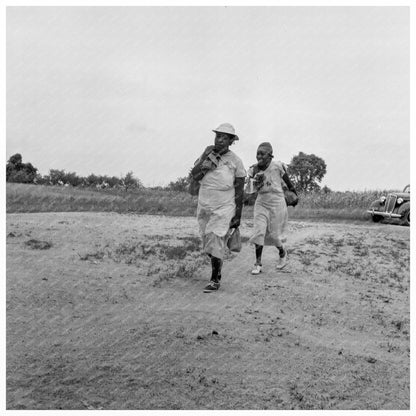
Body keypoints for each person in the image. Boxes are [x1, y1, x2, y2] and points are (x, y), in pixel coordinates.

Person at [191, 123, 246, 293]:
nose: (220, 140)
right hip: (205, 203)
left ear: (231, 141)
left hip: (224, 206)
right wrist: (204, 162)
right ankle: (218, 258)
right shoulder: (207, 153)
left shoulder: (236, 161)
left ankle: (215, 279)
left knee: (215, 237)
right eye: (218, 136)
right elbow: (195, 174)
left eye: (224, 137)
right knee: (208, 240)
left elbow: (239, 190)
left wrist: (237, 216)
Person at [246, 142, 297, 274]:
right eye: (257, 153)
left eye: (262, 153)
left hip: (277, 202)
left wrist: (294, 196)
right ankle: (258, 263)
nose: (259, 156)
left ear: (270, 155)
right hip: (261, 202)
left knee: (275, 235)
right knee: (259, 232)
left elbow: (288, 182)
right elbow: (249, 191)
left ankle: (282, 253)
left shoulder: (277, 166)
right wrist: (255, 182)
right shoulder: (253, 169)